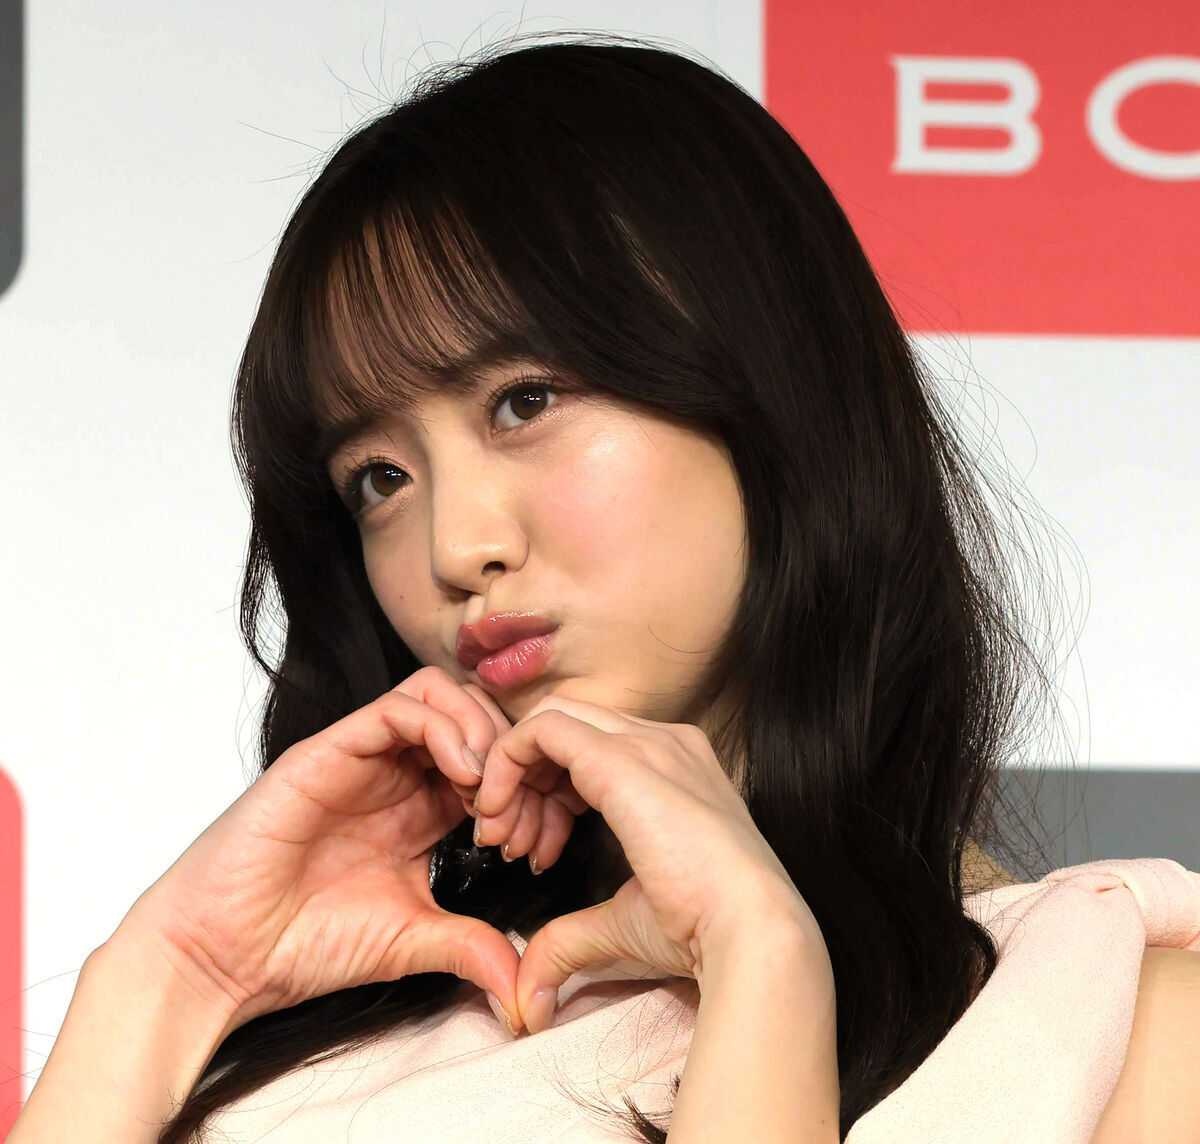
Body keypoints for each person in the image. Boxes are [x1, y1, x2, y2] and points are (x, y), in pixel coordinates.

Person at [12, 30, 1199, 1144]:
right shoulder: (315, 1035)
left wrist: (759, 958)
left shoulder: (1098, 1012)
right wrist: (173, 976)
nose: (455, 546)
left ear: (769, 385)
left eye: (523, 402)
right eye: (379, 477)